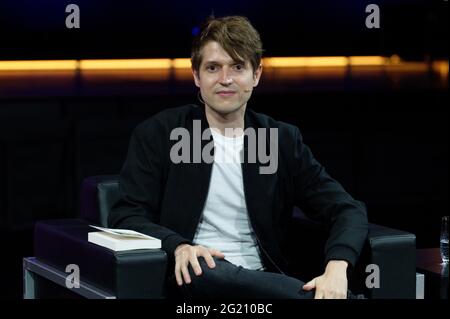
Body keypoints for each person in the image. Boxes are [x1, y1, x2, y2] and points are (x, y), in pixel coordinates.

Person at [109, 15, 368, 299]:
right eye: (212, 68)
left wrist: (337, 268)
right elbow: (126, 216)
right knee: (205, 268)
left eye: (237, 67)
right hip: (196, 279)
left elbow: (346, 209)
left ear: (256, 75)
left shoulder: (279, 140)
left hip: (266, 281)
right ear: (196, 76)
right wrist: (179, 246)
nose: (225, 79)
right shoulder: (161, 133)